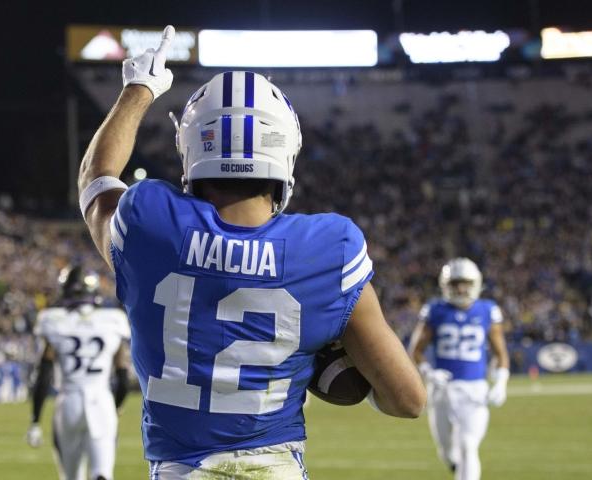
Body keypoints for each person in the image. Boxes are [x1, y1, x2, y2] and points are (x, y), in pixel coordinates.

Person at [77, 25, 426, 479]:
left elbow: (97, 179)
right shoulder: (329, 249)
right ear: (286, 153)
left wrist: (139, 88)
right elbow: (407, 400)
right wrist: (332, 364)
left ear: (192, 150)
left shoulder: (150, 222)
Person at [408, 258, 510, 480]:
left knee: (467, 445)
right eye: (455, 283)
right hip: (442, 390)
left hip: (474, 389)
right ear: (445, 285)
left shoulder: (487, 309)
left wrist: (501, 382)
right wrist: (429, 373)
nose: (461, 288)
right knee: (447, 452)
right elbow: (415, 351)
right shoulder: (434, 309)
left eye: (465, 283)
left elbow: (501, 353)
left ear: (476, 283)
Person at [26, 266, 131, 480]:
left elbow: (43, 376)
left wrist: (35, 420)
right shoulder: (113, 320)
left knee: (71, 477)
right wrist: (116, 406)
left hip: (69, 402)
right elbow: (123, 378)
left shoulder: (53, 320)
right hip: (101, 401)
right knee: (102, 474)